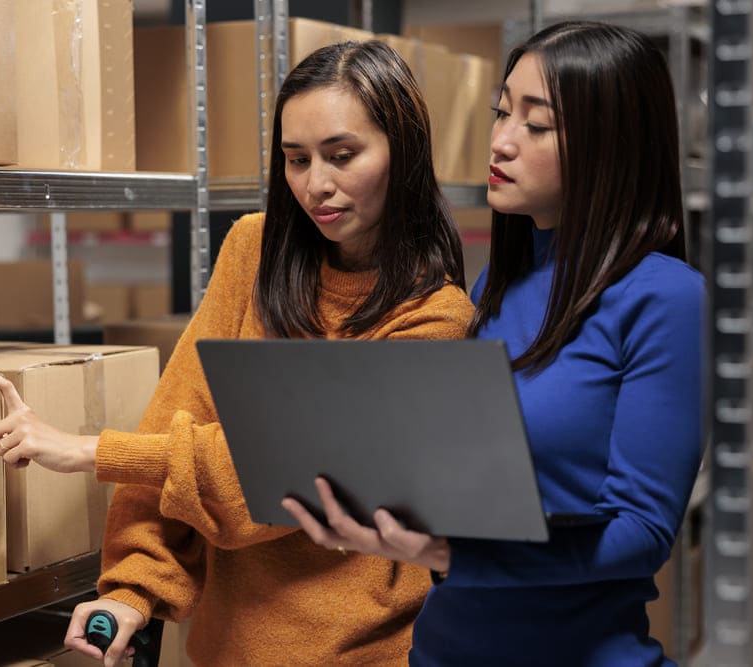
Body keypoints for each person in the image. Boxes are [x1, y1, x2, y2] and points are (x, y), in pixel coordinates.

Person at [0, 39, 474, 666]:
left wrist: (92, 450)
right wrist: (134, 589)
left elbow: (289, 477)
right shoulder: (254, 250)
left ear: (401, 152)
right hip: (223, 649)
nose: (316, 185)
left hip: (369, 652)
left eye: (342, 155)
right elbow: (180, 412)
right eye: (296, 159)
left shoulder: (437, 317)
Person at [284, 20, 704, 667]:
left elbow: (642, 531)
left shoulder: (665, 297)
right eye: (502, 112)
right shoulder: (497, 285)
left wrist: (452, 553)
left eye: (535, 125)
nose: (501, 141)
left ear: (610, 144)